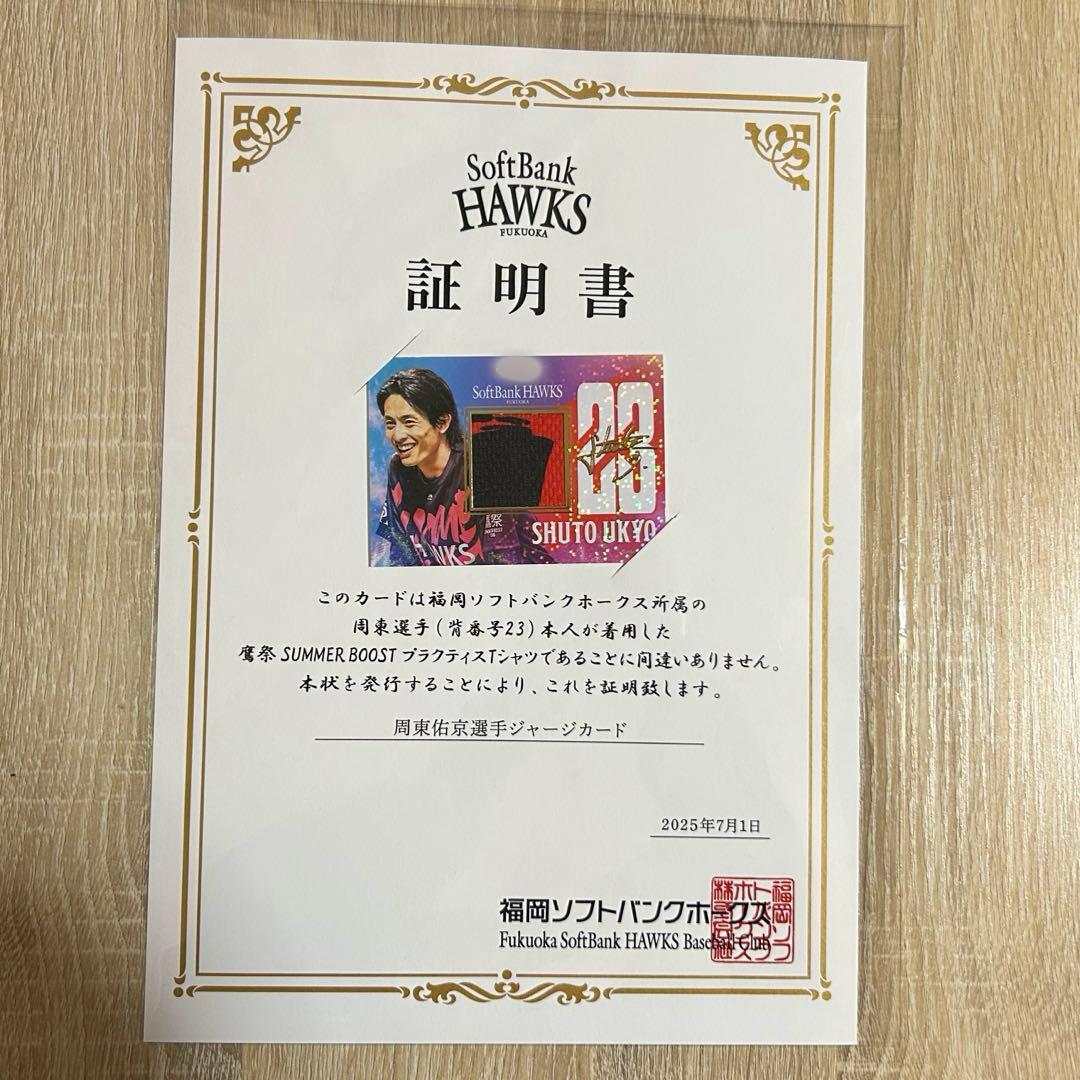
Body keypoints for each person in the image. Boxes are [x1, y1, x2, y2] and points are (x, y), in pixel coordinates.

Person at [375, 368, 481, 566]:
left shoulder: (481, 464)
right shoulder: (398, 469)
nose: (397, 435)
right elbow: (400, 556)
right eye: (390, 424)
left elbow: (506, 560)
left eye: (409, 422)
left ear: (442, 423)